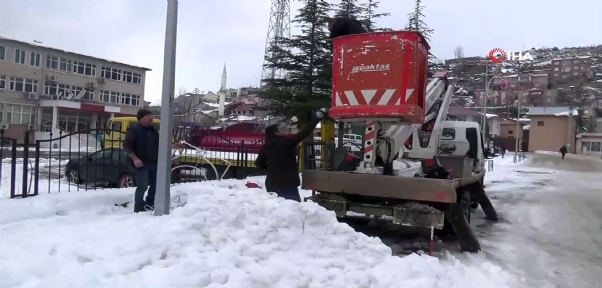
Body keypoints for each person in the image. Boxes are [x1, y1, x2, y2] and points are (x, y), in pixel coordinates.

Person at [255, 109, 326, 202]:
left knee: (276, 211)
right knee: (294, 210)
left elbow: (259, 164)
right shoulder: (287, 143)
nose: (283, 131)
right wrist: (316, 118)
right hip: (287, 184)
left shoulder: (265, 147)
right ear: (276, 132)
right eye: (280, 130)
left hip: (271, 184)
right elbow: (304, 133)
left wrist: (272, 168)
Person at [122, 109, 180, 213]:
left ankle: (150, 204)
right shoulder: (133, 131)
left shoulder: (153, 131)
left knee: (156, 184)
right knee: (143, 185)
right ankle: (139, 207)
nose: (151, 117)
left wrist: (172, 146)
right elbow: (127, 147)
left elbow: (160, 144)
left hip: (153, 163)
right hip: (141, 163)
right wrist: (135, 159)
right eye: (148, 115)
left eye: (152, 115)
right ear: (141, 118)